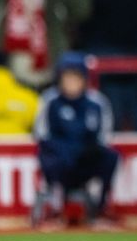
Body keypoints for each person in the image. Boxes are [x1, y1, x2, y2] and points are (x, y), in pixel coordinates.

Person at [33, 52, 119, 226]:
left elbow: (104, 138)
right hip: (59, 158)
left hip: (84, 159)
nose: (71, 82)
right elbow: (41, 135)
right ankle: (53, 210)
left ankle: (100, 208)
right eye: (67, 77)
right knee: (49, 158)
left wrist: (81, 151)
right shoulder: (50, 100)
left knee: (110, 157)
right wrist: (65, 150)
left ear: (84, 79)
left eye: (76, 77)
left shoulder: (97, 103)